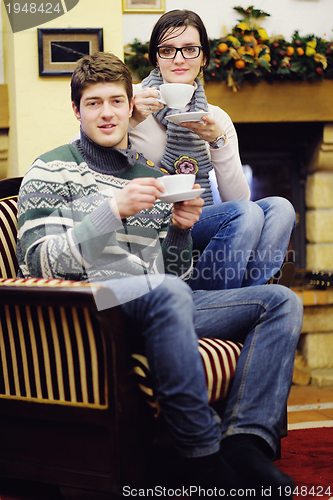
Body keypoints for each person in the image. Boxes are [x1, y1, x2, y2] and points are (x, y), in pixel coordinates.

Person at [17, 51, 303, 497]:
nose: (107, 113)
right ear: (77, 111)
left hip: (160, 303)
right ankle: (200, 457)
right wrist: (111, 212)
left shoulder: (150, 174)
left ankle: (246, 441)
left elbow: (171, 270)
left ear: (131, 107)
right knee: (168, 291)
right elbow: (37, 261)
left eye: (116, 101)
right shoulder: (50, 168)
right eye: (94, 103)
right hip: (92, 308)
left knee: (281, 302)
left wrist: (178, 232)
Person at [128, 9, 296, 291]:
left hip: (202, 220)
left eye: (190, 49)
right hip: (154, 224)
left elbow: (239, 199)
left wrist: (218, 142)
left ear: (204, 57)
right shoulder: (132, 100)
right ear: (155, 58)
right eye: (167, 50)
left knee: (281, 208)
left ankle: (245, 295)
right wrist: (130, 119)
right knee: (246, 214)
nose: (179, 58)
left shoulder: (216, 118)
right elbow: (84, 147)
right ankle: (230, 301)